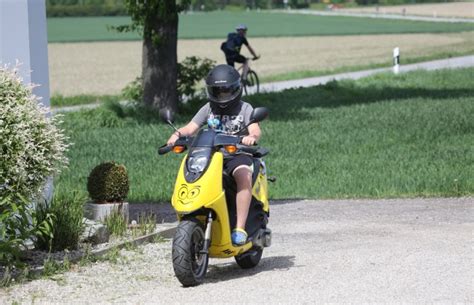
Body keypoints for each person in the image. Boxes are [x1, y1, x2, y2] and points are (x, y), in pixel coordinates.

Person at [166, 64, 261, 246]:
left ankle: (240, 228)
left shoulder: (245, 108)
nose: (221, 96)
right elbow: (191, 127)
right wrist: (177, 135)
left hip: (236, 154)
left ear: (235, 89)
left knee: (243, 175)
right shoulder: (208, 108)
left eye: (225, 91)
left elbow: (255, 128)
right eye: (217, 92)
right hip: (210, 156)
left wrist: (251, 137)